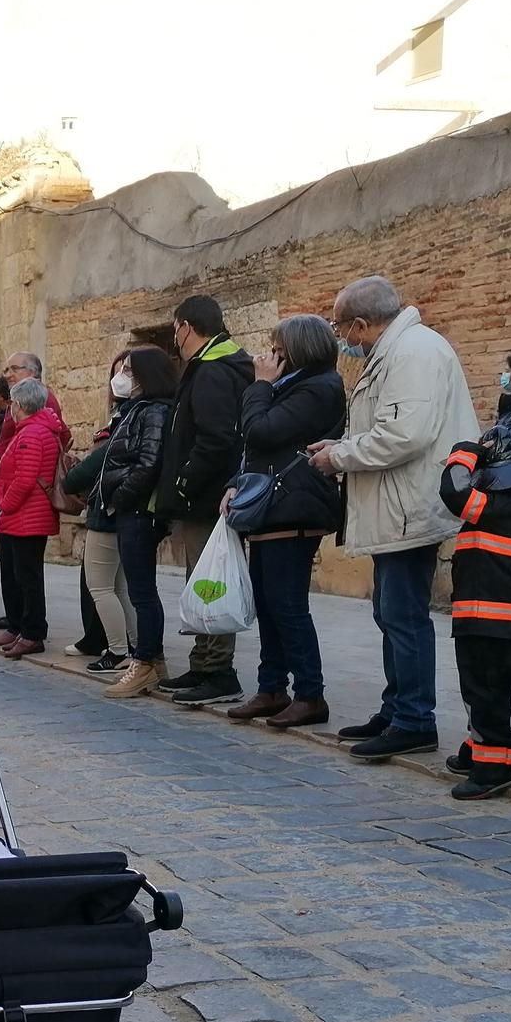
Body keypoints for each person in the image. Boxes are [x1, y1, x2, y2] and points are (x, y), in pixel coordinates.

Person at [310, 276, 476, 760]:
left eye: (344, 330)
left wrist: (338, 456)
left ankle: (414, 718)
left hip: (410, 504)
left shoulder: (414, 352)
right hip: (396, 503)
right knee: (390, 611)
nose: (344, 340)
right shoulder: (398, 349)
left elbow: (404, 434)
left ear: (362, 323)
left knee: (403, 615)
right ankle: (397, 705)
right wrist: (340, 446)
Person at [227, 314, 346, 728]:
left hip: (294, 508)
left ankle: (310, 694)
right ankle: (271, 687)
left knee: (287, 604)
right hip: (270, 507)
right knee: (268, 603)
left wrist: (258, 385)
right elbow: (257, 451)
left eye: (279, 346)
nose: (271, 353)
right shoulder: (290, 386)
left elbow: (260, 432)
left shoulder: (318, 388)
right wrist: (234, 484)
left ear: (298, 349)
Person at [437, 427, 511, 801]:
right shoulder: (503, 502)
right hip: (481, 616)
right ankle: (482, 750)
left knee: (487, 692)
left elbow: (454, 491)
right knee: (480, 690)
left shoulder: (509, 503)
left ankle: (494, 769)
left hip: (494, 620)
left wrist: (463, 452)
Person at [156, 295, 255, 706]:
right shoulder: (210, 366)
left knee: (210, 581)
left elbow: (215, 439)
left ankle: (218, 671)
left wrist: (184, 481)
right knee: (202, 580)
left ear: (185, 326)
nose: (174, 337)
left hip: (208, 498)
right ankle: (202, 662)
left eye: (175, 329)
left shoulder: (214, 370)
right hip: (205, 496)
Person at [100, 347, 179, 698]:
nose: (124, 377)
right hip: (130, 510)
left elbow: (148, 464)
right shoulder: (135, 410)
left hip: (138, 512)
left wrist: (120, 498)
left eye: (130, 371)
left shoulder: (155, 411)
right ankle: (153, 659)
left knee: (142, 593)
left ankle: (144, 662)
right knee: (140, 590)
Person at [0, 376, 68, 659]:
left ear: (19, 405)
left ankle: (33, 633)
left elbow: (25, 479)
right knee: (25, 576)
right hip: (24, 515)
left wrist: (5, 504)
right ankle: (26, 629)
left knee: (28, 578)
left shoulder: (32, 434)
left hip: (25, 516)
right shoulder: (33, 429)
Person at [69, 353, 136, 672]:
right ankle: (135, 648)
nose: (119, 376)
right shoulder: (129, 413)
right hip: (115, 506)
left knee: (101, 586)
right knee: (120, 586)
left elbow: (104, 460)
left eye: (127, 370)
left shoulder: (131, 415)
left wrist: (73, 478)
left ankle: (120, 650)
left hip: (108, 508)